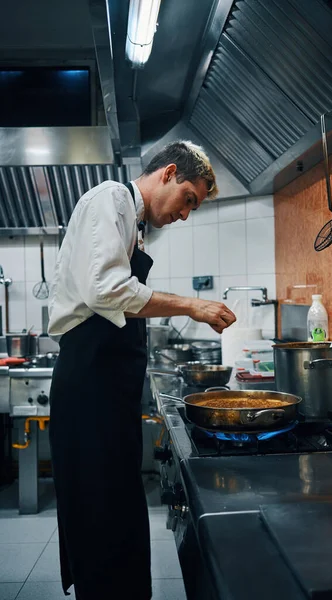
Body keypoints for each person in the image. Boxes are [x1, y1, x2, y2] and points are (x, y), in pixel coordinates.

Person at [48, 140, 236, 600]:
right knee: (99, 510)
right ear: (169, 173)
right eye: (189, 199)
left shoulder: (134, 224)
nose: (186, 214)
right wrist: (190, 305)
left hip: (109, 390)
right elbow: (107, 292)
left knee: (117, 507)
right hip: (89, 383)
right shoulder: (110, 198)